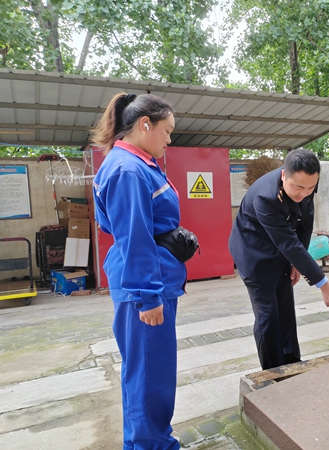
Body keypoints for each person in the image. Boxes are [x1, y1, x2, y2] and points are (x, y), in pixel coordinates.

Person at [91, 93, 184, 450]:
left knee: (150, 371)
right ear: (145, 124)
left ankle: (149, 441)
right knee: (148, 375)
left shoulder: (136, 163)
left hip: (152, 281)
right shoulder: (128, 169)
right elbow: (134, 237)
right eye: (167, 130)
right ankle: (150, 445)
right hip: (145, 287)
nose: (169, 139)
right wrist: (148, 296)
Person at [229, 149, 329, 370]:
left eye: (310, 188)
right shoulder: (266, 197)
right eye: (299, 188)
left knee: (285, 310)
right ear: (284, 175)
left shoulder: (306, 183)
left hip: (280, 250)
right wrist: (323, 284)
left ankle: (292, 363)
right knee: (268, 315)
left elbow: (305, 223)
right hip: (253, 253)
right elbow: (288, 243)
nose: (304, 193)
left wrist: (296, 263)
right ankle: (274, 371)